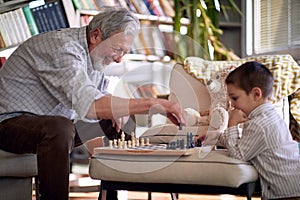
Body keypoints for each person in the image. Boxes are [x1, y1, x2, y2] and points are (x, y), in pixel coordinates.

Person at [0, 6, 185, 200]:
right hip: (7, 123)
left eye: (124, 52)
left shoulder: (95, 55)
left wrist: (117, 109)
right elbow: (91, 106)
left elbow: (100, 96)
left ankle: (111, 196)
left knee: (119, 117)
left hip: (48, 120)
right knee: (59, 128)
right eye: (117, 49)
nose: (119, 59)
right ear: (96, 35)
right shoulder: (63, 49)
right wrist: (153, 104)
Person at [218, 61, 300, 200]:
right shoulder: (269, 116)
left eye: (235, 98)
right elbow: (241, 143)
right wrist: (217, 137)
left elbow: (238, 154)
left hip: (286, 194)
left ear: (256, 94)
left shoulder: (259, 125)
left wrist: (232, 124)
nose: (232, 104)